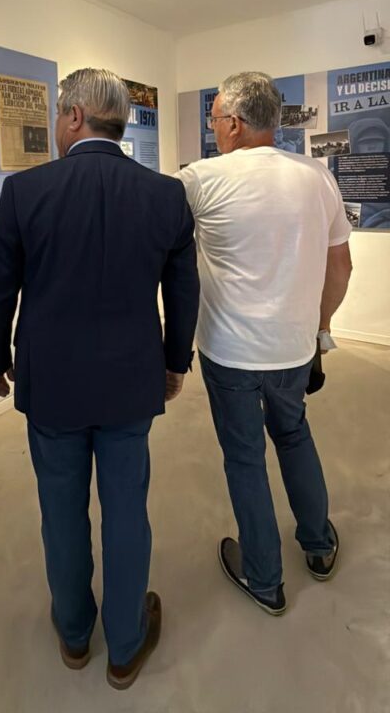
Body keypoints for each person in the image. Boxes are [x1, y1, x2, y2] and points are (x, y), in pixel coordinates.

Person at [0, 68, 199, 688]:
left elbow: (0, 290)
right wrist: (175, 363)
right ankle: (125, 646)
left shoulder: (25, 191)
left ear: (75, 116)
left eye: (58, 114)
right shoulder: (165, 195)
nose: (56, 125)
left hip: (52, 384)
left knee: (60, 510)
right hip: (131, 383)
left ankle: (75, 634)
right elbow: (184, 291)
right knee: (127, 510)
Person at [177, 72, 352, 615]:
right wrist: (321, 330)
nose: (213, 129)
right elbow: (341, 268)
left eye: (214, 120)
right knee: (294, 436)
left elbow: (163, 256)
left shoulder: (198, 179)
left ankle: (264, 578)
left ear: (233, 123)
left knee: (244, 457)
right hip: (295, 347)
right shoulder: (317, 176)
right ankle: (319, 546)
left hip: (228, 351)